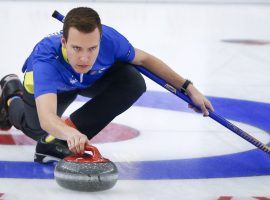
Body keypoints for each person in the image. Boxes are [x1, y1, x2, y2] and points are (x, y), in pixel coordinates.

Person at [0, 7, 214, 163]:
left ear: (101, 40)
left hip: (90, 79)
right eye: (76, 48)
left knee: (132, 81)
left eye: (92, 48)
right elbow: (48, 119)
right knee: (38, 130)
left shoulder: (111, 40)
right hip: (54, 86)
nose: (84, 58)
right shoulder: (45, 60)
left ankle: (65, 141)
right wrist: (67, 132)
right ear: (64, 43)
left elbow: (145, 60)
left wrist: (188, 87)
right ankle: (11, 96)